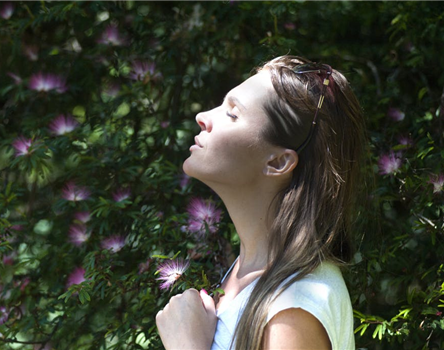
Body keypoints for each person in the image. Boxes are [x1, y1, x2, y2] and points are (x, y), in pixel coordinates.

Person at [156, 55, 365, 350]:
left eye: (232, 114)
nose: (203, 116)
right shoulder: (250, 273)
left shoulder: (293, 308)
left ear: (278, 162)